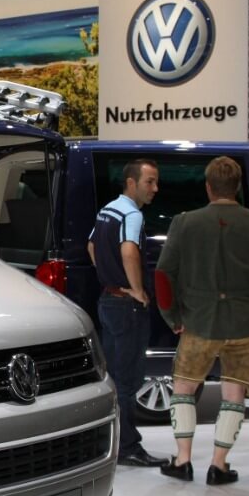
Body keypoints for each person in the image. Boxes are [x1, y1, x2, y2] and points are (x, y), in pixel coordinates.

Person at [154, 156, 249, 485]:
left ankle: (183, 460)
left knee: (184, 388)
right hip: (244, 324)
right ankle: (219, 465)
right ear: (238, 187)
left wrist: (172, 316)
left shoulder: (185, 222)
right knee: (234, 393)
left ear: (208, 187)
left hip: (198, 322)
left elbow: (163, 275)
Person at [87, 158, 167, 468]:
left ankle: (111, 442)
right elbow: (129, 250)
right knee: (128, 380)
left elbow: (91, 245)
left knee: (112, 376)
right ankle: (127, 447)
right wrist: (135, 289)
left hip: (108, 300)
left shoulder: (108, 210)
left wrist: (109, 276)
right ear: (131, 183)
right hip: (126, 306)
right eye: (150, 182)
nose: (155, 188)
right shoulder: (132, 214)